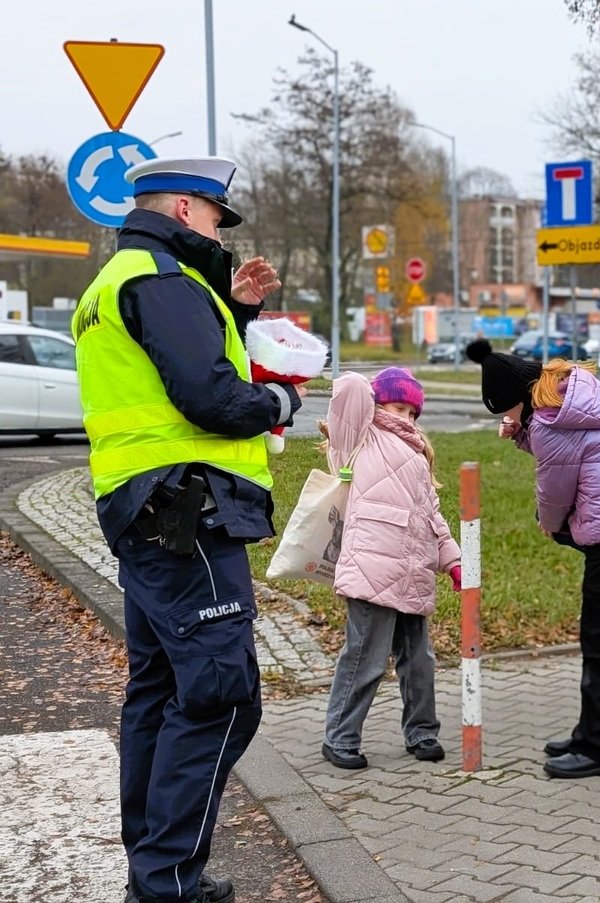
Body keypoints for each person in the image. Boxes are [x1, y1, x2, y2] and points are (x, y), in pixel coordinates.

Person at [71, 157, 302, 903]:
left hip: (143, 512)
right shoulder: (163, 280)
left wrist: (229, 313)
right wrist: (278, 406)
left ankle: (158, 872)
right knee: (219, 696)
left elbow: (158, 376)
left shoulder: (116, 284)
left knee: (158, 690)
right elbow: (208, 395)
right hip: (188, 512)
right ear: (181, 207)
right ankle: (166, 882)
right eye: (212, 216)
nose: (217, 228)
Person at [466, 339, 600, 778]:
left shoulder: (551, 423)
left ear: (520, 399)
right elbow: (566, 456)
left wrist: (549, 523)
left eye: (507, 412)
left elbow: (554, 487)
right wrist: (522, 433)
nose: (507, 419)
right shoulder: (567, 401)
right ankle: (589, 732)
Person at [321, 368, 462, 770]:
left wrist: (450, 559)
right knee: (365, 656)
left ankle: (422, 732)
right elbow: (347, 389)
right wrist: (373, 386)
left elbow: (431, 516)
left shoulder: (416, 454)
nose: (407, 418)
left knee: (419, 660)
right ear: (378, 403)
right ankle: (340, 737)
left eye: (413, 412)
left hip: (412, 569)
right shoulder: (360, 437)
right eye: (399, 407)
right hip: (372, 567)